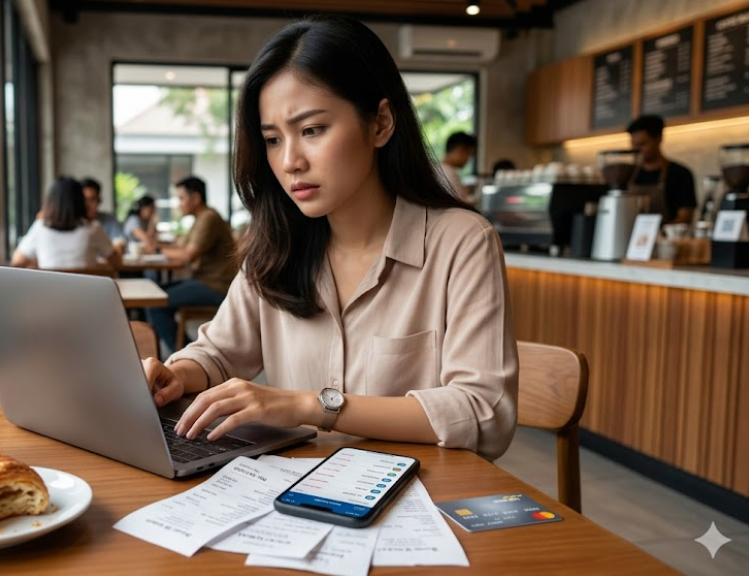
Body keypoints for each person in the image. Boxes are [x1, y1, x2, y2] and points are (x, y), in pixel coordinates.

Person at [142, 16, 518, 460]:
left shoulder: (461, 242)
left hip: (419, 499)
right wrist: (178, 374)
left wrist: (310, 406)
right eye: (272, 139)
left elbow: (484, 414)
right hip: (294, 497)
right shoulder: (276, 244)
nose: (290, 161)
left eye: (312, 130)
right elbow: (220, 353)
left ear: (380, 123)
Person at [146, 176, 238, 352]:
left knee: (155, 302)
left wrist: (157, 249)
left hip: (217, 286)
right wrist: (158, 246)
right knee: (155, 291)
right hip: (203, 280)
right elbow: (181, 246)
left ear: (195, 198)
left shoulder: (209, 218)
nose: (179, 204)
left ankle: (184, 354)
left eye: (181, 198)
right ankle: (186, 351)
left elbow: (187, 255)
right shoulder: (200, 218)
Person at [11, 176, 120, 270]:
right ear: (81, 202)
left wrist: (38, 265)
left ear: (51, 202)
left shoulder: (40, 227)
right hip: (85, 294)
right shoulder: (93, 228)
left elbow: (17, 261)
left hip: (49, 293)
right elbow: (117, 262)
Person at [626, 115, 696, 224]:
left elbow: (685, 218)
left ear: (659, 139)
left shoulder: (680, 174)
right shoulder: (627, 174)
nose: (636, 150)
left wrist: (655, 232)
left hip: (665, 239)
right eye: (633, 145)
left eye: (642, 144)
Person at [81, 177, 126, 243]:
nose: (87, 205)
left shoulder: (109, 221)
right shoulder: (72, 225)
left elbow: (120, 243)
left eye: (92, 200)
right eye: (83, 200)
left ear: (99, 201)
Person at [439, 132, 478, 202]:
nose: (468, 160)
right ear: (459, 150)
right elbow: (461, 203)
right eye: (469, 154)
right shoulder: (449, 173)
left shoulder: (439, 168)